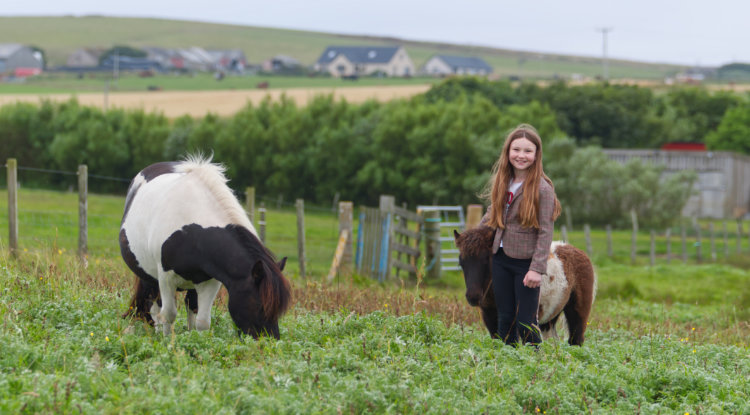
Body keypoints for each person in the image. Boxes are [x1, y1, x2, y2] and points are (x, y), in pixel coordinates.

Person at [480, 124, 562, 346]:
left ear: (536, 155)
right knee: (504, 318)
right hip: (500, 259)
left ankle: (535, 366)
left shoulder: (542, 189)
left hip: (525, 264)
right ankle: (507, 365)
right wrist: (476, 236)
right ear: (508, 152)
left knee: (525, 321)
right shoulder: (503, 181)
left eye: (528, 151)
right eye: (516, 150)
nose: (521, 155)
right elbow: (492, 213)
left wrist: (536, 269)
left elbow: (546, 231)